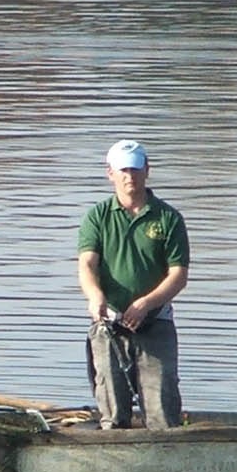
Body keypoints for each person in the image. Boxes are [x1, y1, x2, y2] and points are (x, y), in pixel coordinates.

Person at [77, 139, 189, 430]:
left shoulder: (168, 218)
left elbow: (178, 275)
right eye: (123, 170)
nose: (130, 176)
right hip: (110, 324)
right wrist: (95, 295)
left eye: (136, 169)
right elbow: (87, 265)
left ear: (147, 170)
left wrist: (145, 304)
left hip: (155, 323)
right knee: (112, 413)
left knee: (162, 412)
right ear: (110, 173)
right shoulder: (97, 217)